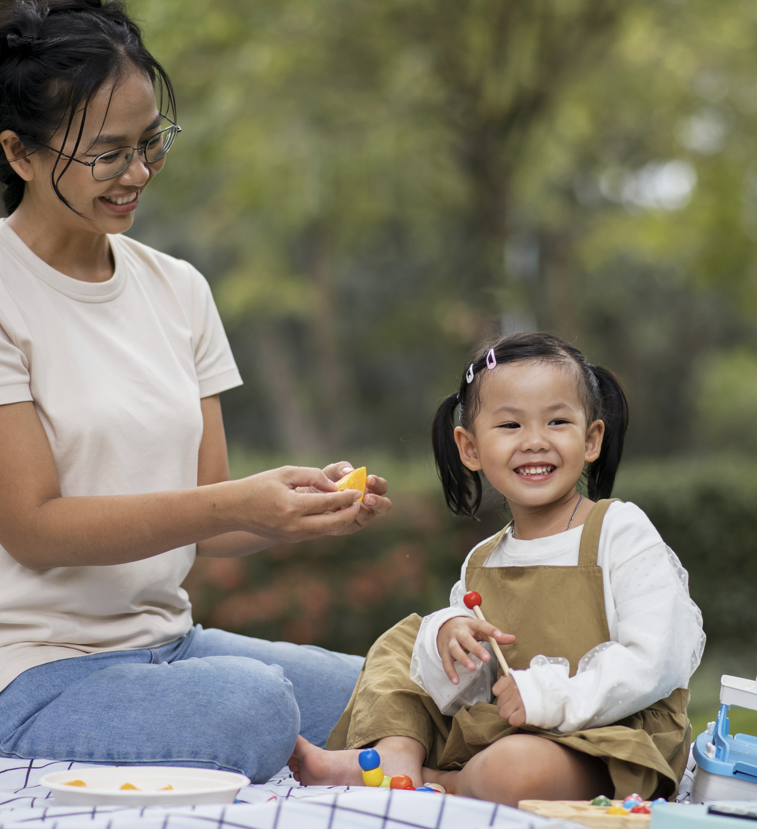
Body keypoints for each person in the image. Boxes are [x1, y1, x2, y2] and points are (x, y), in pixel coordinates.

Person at [0, 0, 390, 783]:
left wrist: (301, 512)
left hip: (166, 648)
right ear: (19, 152)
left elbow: (208, 515)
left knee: (395, 692)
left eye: (149, 143)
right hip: (17, 683)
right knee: (253, 706)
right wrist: (234, 502)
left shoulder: (177, 289)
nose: (136, 173)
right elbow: (35, 529)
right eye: (106, 153)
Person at [290, 333, 705, 804]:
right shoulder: (483, 559)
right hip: (514, 727)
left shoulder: (618, 530)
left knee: (511, 769)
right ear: (469, 449)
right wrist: (452, 637)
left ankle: (442, 782)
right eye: (510, 425)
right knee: (409, 641)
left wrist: (548, 698)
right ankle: (396, 759)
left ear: (591, 439)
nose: (534, 442)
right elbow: (469, 693)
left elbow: (655, 659)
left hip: (612, 737)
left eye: (557, 421)